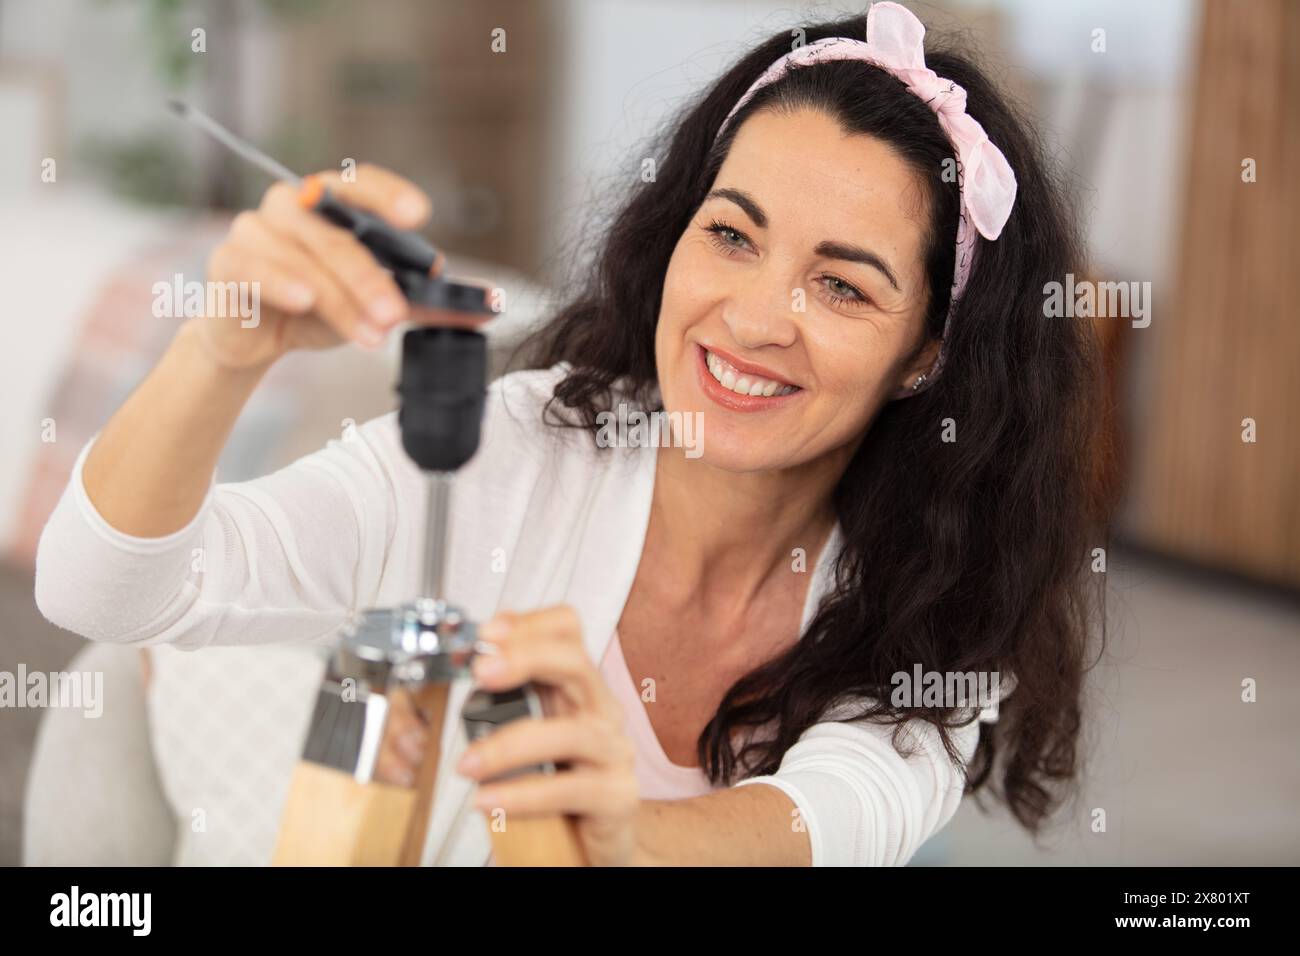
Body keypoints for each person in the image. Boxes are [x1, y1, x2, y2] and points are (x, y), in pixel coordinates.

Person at [35, 3, 1105, 866]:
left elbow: (832, 822)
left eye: (840, 283)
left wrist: (617, 835)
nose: (751, 317)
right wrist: (224, 349)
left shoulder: (937, 596)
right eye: (731, 234)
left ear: (926, 354)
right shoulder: (515, 450)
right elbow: (103, 591)